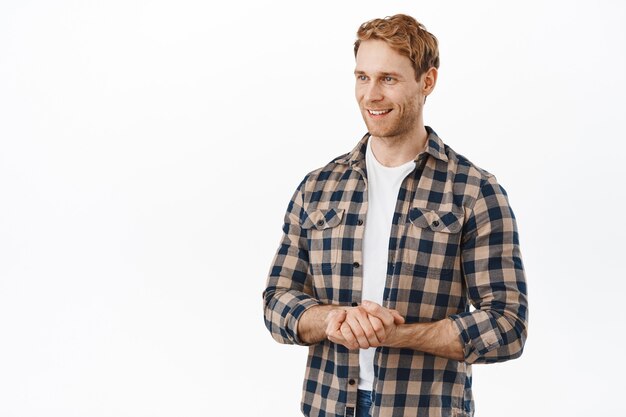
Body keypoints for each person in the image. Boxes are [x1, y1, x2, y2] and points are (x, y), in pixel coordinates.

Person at [262, 13, 528, 417]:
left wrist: (396, 334)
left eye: (388, 78)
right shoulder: (317, 188)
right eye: (362, 77)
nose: (371, 95)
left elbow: (508, 326)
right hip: (327, 406)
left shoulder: (475, 192)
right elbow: (276, 303)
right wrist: (333, 318)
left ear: (427, 82)